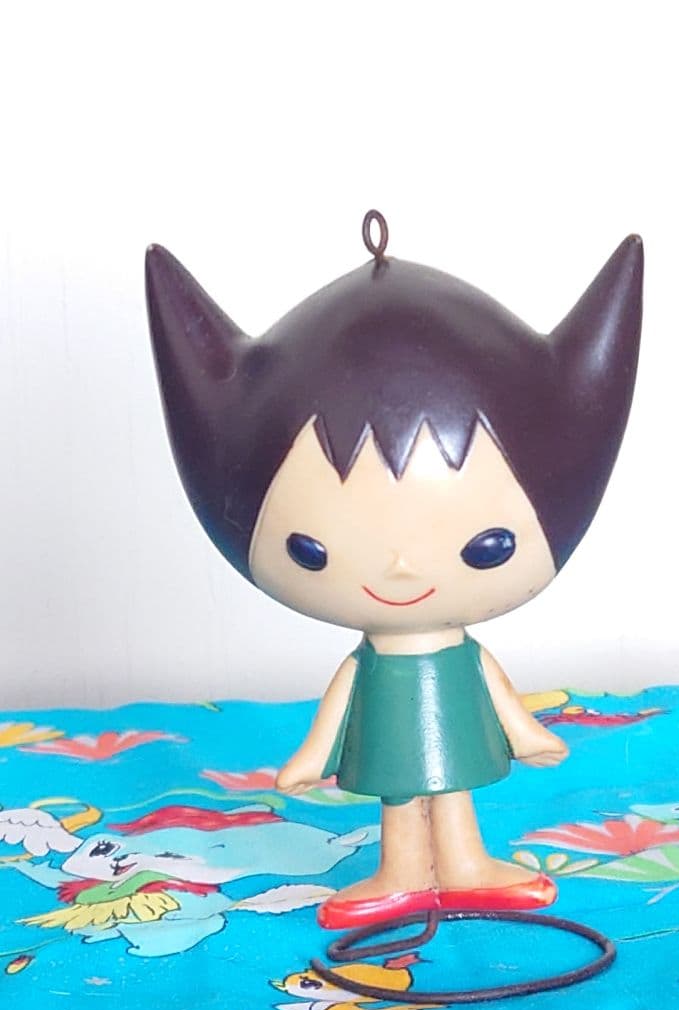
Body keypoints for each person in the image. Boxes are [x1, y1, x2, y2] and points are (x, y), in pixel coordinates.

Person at [145, 212, 643, 929]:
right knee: (401, 799)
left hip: (451, 724)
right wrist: (313, 755)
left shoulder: (457, 657)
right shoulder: (370, 664)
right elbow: (342, 702)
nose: (403, 569)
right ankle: (402, 874)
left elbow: (491, 688)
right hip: (388, 731)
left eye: (487, 547)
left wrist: (526, 732)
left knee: (452, 795)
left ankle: (467, 867)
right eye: (311, 551)